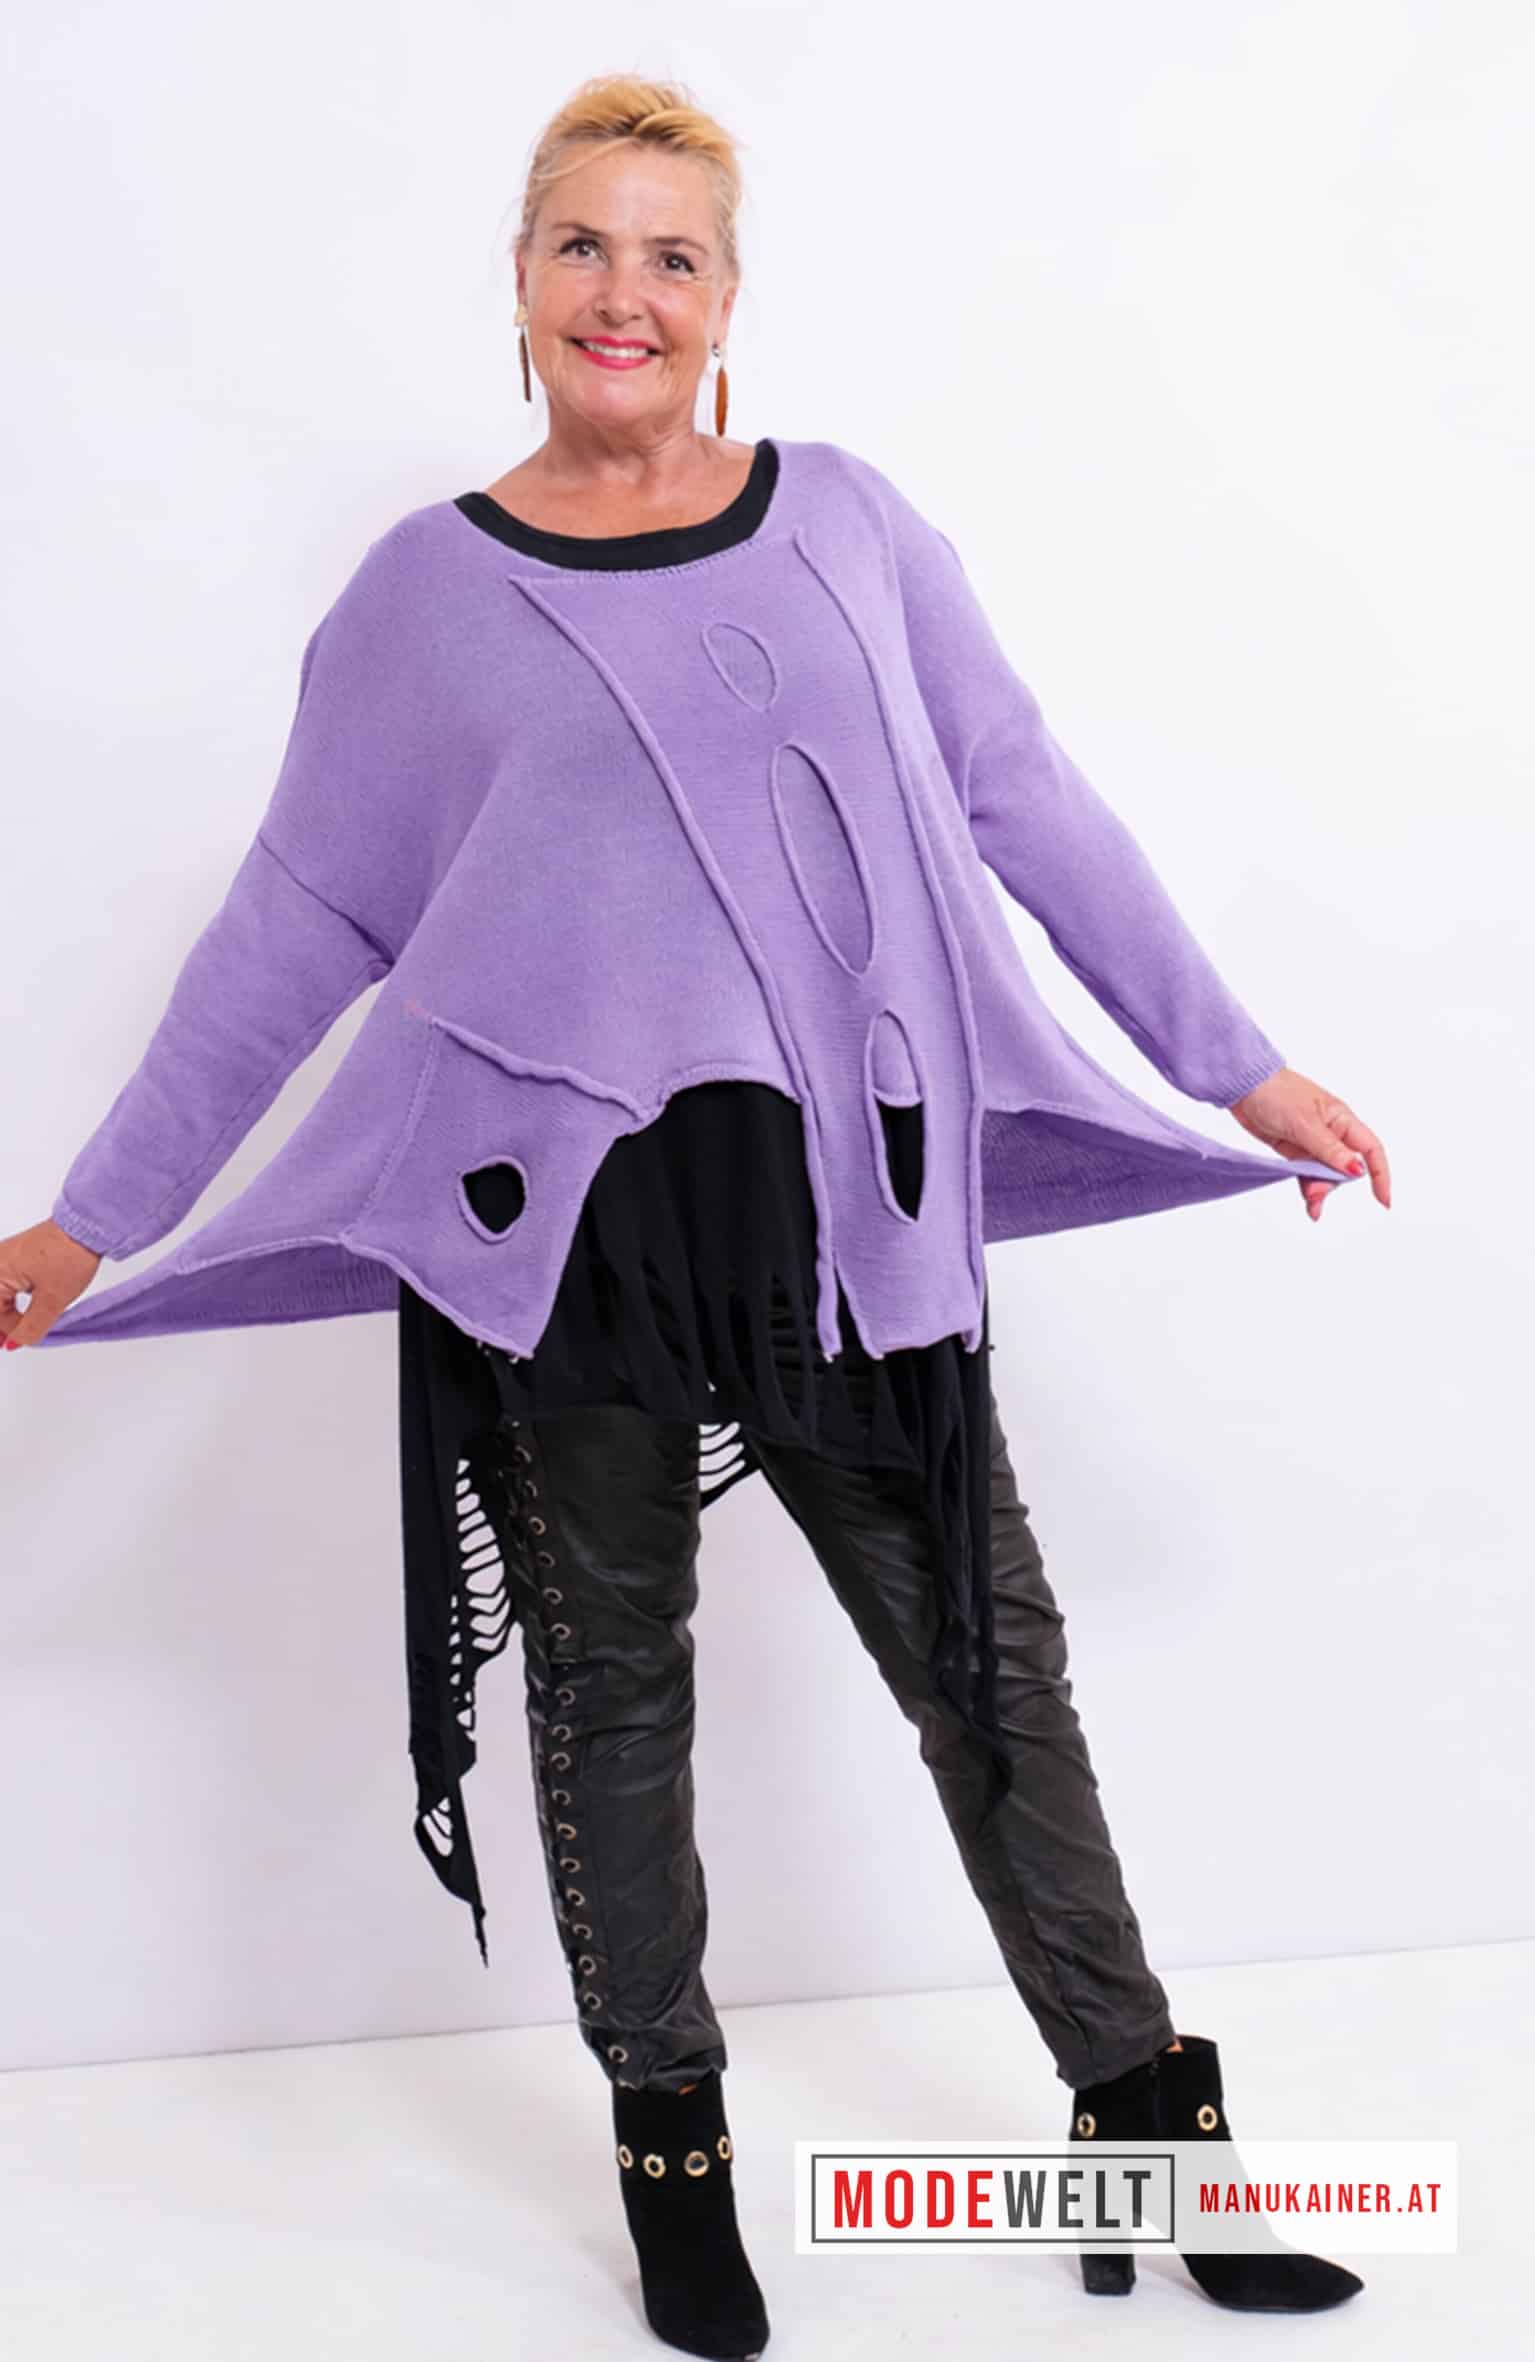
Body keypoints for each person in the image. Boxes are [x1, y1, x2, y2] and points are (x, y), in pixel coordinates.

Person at [4, 71, 1389, 2362]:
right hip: (566, 1238)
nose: (622, 292)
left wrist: (1234, 1064)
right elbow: (298, 922)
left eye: (670, 254)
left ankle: (1152, 2132)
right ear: (521, 284)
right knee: (614, 1696)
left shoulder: (847, 525)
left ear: (729, 300)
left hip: (846, 1206)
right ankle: (676, 2163)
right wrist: (94, 1216)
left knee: (988, 1668)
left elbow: (1022, 794)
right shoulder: (425, 596)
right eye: (583, 245)